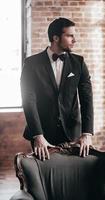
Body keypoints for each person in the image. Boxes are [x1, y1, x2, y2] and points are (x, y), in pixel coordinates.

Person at [21, 17, 94, 161]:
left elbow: (87, 99)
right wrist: (38, 135)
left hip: (73, 133)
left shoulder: (79, 63)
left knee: (73, 179)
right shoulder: (31, 64)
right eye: (70, 35)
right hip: (42, 133)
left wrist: (87, 133)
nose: (74, 40)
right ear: (55, 38)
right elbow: (28, 100)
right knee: (45, 179)